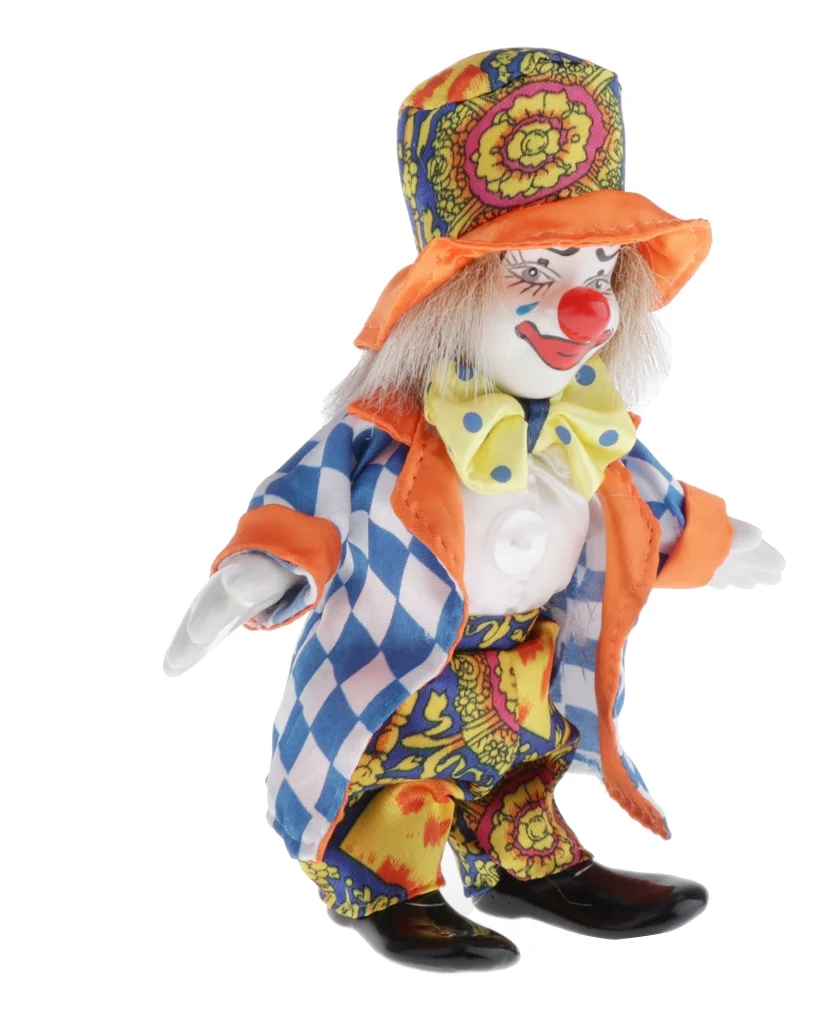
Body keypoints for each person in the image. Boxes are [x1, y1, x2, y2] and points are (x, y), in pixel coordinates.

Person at [165, 47, 784, 970]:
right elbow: (309, 504)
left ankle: (522, 861)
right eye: (534, 268)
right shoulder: (383, 436)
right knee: (400, 784)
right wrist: (261, 570)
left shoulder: (588, 427)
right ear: (450, 296)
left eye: (600, 269)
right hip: (404, 667)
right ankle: (391, 886)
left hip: (525, 662)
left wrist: (718, 542)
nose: (587, 309)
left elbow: (648, 504)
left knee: (519, 766)